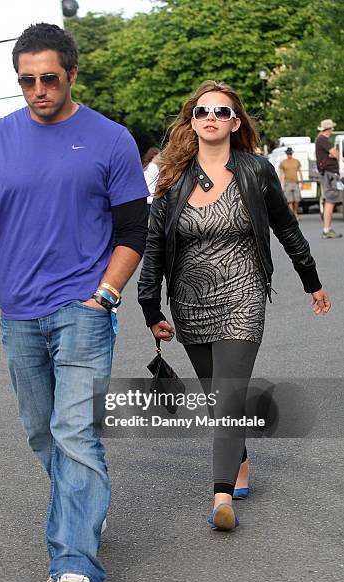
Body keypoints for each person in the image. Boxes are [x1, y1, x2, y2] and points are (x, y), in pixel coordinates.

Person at [0, 23, 149, 582]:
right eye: (27, 81)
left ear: (72, 74)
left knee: (74, 431)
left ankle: (74, 562)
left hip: (84, 306)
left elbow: (133, 232)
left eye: (49, 78)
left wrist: (106, 293)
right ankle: (84, 507)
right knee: (41, 430)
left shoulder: (110, 139)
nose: (38, 90)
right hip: (18, 311)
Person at [138, 80, 331, 531]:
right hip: (190, 300)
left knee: (227, 395)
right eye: (202, 111)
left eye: (221, 112)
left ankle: (220, 495)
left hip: (243, 294)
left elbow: (286, 229)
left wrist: (312, 281)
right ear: (192, 120)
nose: (211, 117)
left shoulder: (255, 170)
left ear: (235, 122)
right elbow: (153, 245)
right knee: (217, 398)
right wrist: (150, 307)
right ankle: (239, 458)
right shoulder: (171, 175)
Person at [315, 119, 343, 239]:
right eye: (332, 128)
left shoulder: (320, 140)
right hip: (329, 174)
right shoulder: (323, 139)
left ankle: (328, 228)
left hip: (329, 174)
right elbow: (335, 154)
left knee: (331, 199)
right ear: (328, 129)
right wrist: (334, 154)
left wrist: (332, 154)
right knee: (330, 200)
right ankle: (326, 230)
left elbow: (333, 154)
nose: (333, 131)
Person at [279, 147, 303, 220]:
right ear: (286, 154)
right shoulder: (283, 162)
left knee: (297, 199)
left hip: (295, 182)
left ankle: (295, 212)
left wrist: (302, 180)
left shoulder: (296, 161)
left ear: (292, 153)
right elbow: (281, 173)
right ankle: (292, 214)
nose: (289, 154)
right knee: (289, 200)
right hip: (287, 183)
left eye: (290, 153)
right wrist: (280, 183)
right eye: (288, 153)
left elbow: (299, 171)